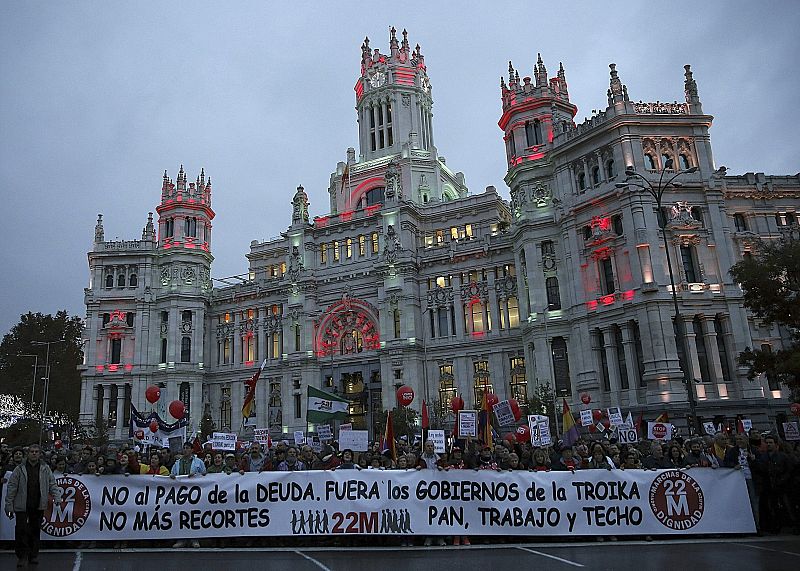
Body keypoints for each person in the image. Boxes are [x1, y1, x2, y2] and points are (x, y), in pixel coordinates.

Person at [4, 444, 63, 567]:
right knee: (21, 531)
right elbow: (12, 487)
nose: (34, 453)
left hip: (38, 504)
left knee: (35, 531)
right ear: (28, 453)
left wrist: (57, 497)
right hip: (22, 505)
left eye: (36, 451)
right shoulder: (19, 469)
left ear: (40, 454)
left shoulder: (45, 468)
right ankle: (22, 556)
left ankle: (33, 555)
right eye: (32, 451)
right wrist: (9, 505)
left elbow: (52, 484)